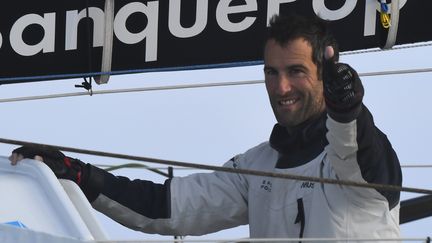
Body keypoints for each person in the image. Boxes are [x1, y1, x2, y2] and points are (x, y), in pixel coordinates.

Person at [9, 13, 402, 241]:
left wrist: (348, 107)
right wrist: (78, 174)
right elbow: (166, 208)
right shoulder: (257, 167)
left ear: (326, 72)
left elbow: (353, 149)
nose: (281, 87)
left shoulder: (355, 157)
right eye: (271, 72)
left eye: (296, 71)